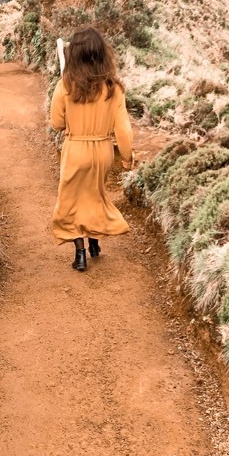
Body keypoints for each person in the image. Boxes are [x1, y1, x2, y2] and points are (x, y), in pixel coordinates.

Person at [50, 27, 134, 272]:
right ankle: (95, 243)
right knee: (95, 194)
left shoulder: (66, 85)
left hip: (76, 149)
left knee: (72, 202)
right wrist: (127, 159)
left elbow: (56, 124)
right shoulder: (114, 88)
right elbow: (124, 131)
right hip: (103, 151)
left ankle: (81, 253)